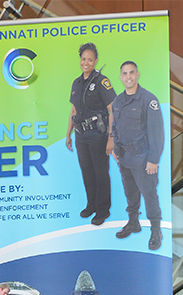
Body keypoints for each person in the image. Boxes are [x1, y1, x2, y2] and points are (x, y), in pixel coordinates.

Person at [111, 60, 164, 249]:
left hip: (143, 159)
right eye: (124, 73)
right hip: (125, 158)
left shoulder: (149, 100)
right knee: (130, 193)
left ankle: (156, 231)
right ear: (120, 77)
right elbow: (115, 127)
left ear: (138, 74)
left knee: (149, 194)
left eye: (131, 72)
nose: (128, 77)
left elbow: (156, 132)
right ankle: (133, 223)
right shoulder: (118, 101)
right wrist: (116, 151)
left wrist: (153, 160)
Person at [66, 42, 116, 227]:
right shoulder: (76, 83)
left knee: (100, 172)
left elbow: (113, 109)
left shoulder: (101, 81)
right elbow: (74, 109)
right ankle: (91, 205)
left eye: (90, 59)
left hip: (98, 134)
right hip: (81, 135)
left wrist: (111, 138)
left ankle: (103, 210)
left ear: (95, 61)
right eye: (83, 59)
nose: (86, 62)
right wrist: (68, 133)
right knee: (87, 171)